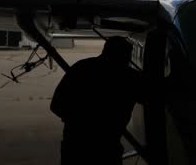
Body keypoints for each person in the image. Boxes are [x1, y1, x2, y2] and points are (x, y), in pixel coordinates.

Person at [50, 36, 142, 165]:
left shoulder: (81, 67)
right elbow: (155, 94)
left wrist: (78, 121)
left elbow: (56, 105)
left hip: (75, 146)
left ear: (105, 50)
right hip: (108, 149)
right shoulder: (131, 77)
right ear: (126, 56)